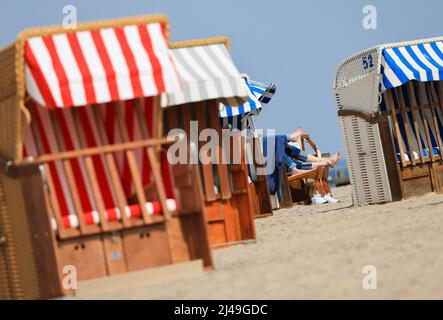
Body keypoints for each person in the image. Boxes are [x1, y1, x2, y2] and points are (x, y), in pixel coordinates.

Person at [284, 127, 341, 204]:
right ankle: (327, 161)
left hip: (288, 165)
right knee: (279, 144)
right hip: (282, 168)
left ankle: (325, 161)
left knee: (284, 146)